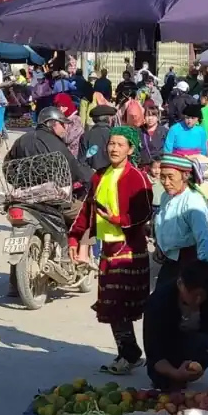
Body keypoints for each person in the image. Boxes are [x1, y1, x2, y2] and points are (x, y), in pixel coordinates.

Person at [69, 126, 154, 375]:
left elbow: (144, 212)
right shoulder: (100, 176)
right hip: (108, 250)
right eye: (112, 144)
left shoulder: (137, 178)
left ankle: (129, 355)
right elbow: (87, 211)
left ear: (130, 149)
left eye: (120, 144)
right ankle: (128, 354)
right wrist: (74, 238)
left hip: (130, 251)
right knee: (112, 306)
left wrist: (118, 219)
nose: (114, 148)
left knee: (119, 306)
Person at [143, 260, 208, 392]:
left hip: (199, 343)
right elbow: (154, 353)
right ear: (180, 284)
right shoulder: (159, 301)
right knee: (165, 384)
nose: (198, 300)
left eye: (201, 295)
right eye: (194, 295)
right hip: (168, 353)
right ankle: (173, 379)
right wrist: (175, 373)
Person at [153, 154, 208, 291]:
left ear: (185, 176)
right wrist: (160, 246)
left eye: (170, 177)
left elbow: (204, 239)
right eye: (163, 177)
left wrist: (202, 272)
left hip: (188, 261)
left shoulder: (193, 202)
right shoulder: (166, 196)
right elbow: (163, 223)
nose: (166, 182)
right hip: (170, 260)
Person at [81, 105, 117, 170]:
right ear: (108, 118)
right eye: (111, 118)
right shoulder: (114, 134)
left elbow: (82, 162)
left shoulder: (85, 136)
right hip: (111, 175)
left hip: (92, 176)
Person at [54, 92, 85, 157]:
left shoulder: (76, 120)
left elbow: (68, 138)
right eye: (58, 106)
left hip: (74, 156)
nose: (61, 109)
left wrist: (58, 128)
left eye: (63, 105)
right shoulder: (61, 119)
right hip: (63, 155)